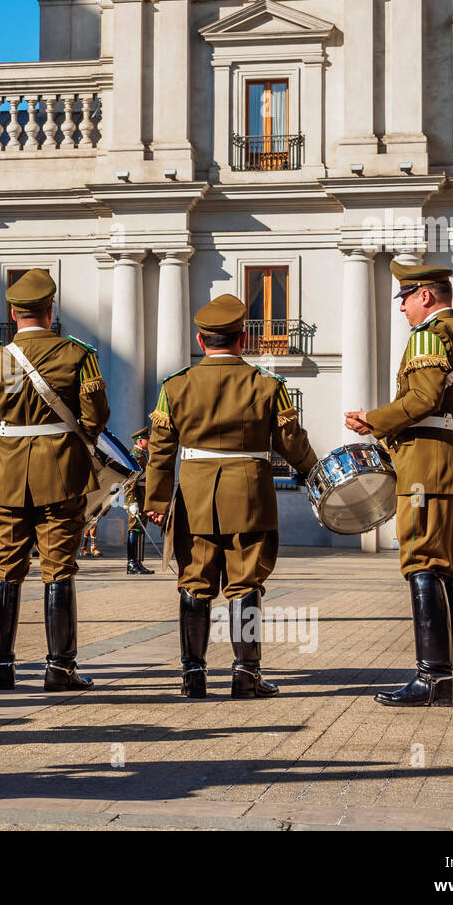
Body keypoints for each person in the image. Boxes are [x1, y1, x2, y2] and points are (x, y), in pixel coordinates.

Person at [146, 295, 317, 700]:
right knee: (245, 585)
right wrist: (314, 472)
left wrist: (155, 502)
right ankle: (246, 675)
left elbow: (160, 450)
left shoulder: (175, 386)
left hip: (195, 498)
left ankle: (193, 675)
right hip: (250, 496)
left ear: (201, 341)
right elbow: (291, 442)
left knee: (194, 582)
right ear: (243, 339)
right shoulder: (268, 385)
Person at [0, 269, 110, 691]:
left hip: (3, 478)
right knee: (58, 569)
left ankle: (2, 668)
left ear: (12, 312)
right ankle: (59, 669)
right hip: (61, 476)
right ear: (51, 311)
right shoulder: (78, 355)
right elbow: (97, 417)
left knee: (4, 568)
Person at [346, 262, 453, 708]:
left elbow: (424, 398)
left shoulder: (429, 335)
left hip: (427, 468)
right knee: (452, 569)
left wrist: (375, 420)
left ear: (426, 295)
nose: (402, 307)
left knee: (422, 562)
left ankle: (431, 679)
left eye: (405, 297)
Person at [124, 426, 153, 575]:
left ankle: (138, 562)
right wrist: (132, 501)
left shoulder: (142, 455)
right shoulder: (135, 455)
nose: (150, 442)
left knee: (140, 529)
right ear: (140, 441)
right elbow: (130, 481)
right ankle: (131, 563)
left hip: (142, 498)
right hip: (136, 498)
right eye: (148, 440)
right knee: (134, 528)